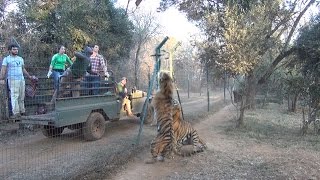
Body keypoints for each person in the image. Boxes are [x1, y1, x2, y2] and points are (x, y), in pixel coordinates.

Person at [0, 44, 37, 119]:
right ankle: (16, 113)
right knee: (14, 96)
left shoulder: (20, 59)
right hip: (12, 79)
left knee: (21, 96)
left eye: (16, 49)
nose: (16, 51)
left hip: (21, 79)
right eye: (14, 49)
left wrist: (29, 76)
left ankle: (22, 111)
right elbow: (3, 69)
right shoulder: (6, 59)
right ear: (10, 50)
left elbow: (23, 69)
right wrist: (1, 78)